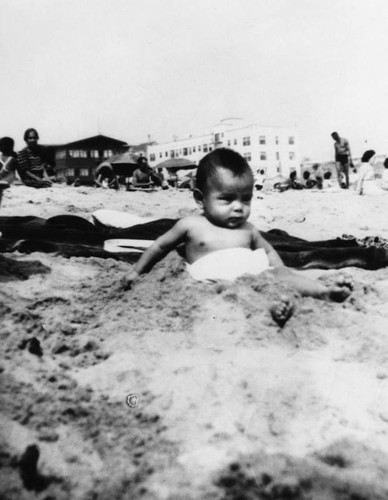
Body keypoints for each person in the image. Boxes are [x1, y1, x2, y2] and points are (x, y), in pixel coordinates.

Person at [123, 148, 353, 323]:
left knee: (283, 277)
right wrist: (136, 271)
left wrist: (280, 269)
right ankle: (270, 309)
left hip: (254, 275)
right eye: (227, 199)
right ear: (200, 198)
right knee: (224, 294)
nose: (238, 207)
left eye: (246, 198)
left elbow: (269, 251)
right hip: (212, 282)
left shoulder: (248, 229)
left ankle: (323, 293)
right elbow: (159, 247)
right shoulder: (191, 224)